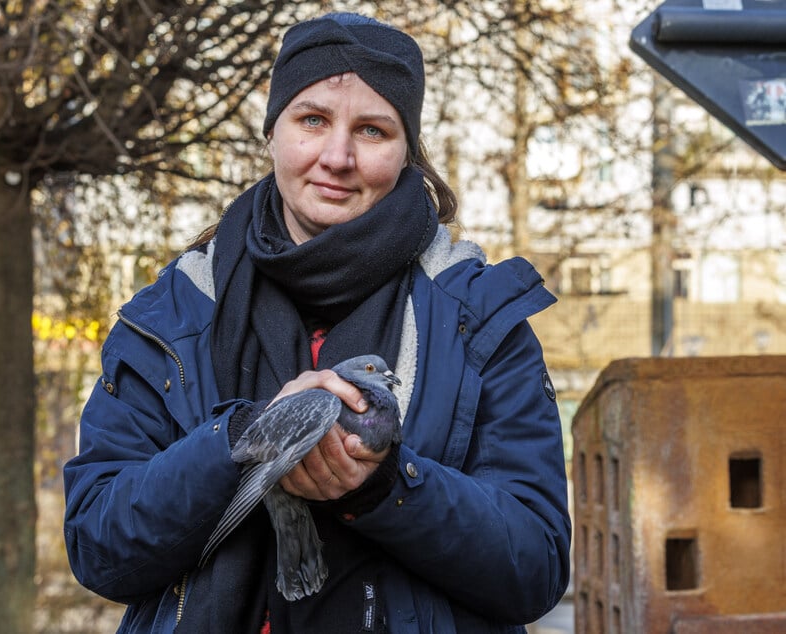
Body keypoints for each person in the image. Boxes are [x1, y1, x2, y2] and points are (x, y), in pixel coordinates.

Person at [64, 11, 571, 633]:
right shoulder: (171, 316)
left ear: (407, 153)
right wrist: (241, 441)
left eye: (372, 130)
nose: (337, 156)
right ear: (272, 133)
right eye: (312, 120)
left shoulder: (479, 319)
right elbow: (97, 546)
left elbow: (536, 565)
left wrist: (387, 487)